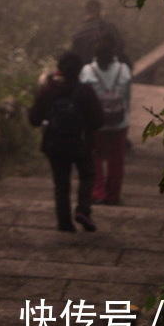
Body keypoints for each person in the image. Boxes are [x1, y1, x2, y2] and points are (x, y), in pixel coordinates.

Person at [28, 50, 104, 232]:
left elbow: (34, 119)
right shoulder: (85, 91)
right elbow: (98, 121)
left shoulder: (49, 90)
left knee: (61, 184)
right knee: (87, 175)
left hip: (54, 144)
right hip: (81, 143)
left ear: (59, 68)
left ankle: (64, 223)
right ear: (80, 70)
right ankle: (83, 210)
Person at [80, 32, 131, 205]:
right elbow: (127, 98)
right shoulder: (124, 70)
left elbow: (83, 98)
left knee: (95, 157)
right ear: (113, 53)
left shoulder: (87, 71)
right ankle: (113, 195)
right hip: (119, 122)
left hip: (95, 123)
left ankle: (98, 192)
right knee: (116, 160)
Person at [71, 0, 129, 67]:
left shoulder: (78, 33)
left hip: (88, 72)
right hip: (110, 69)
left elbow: (76, 57)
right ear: (100, 11)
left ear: (86, 12)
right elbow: (120, 46)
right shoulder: (109, 27)